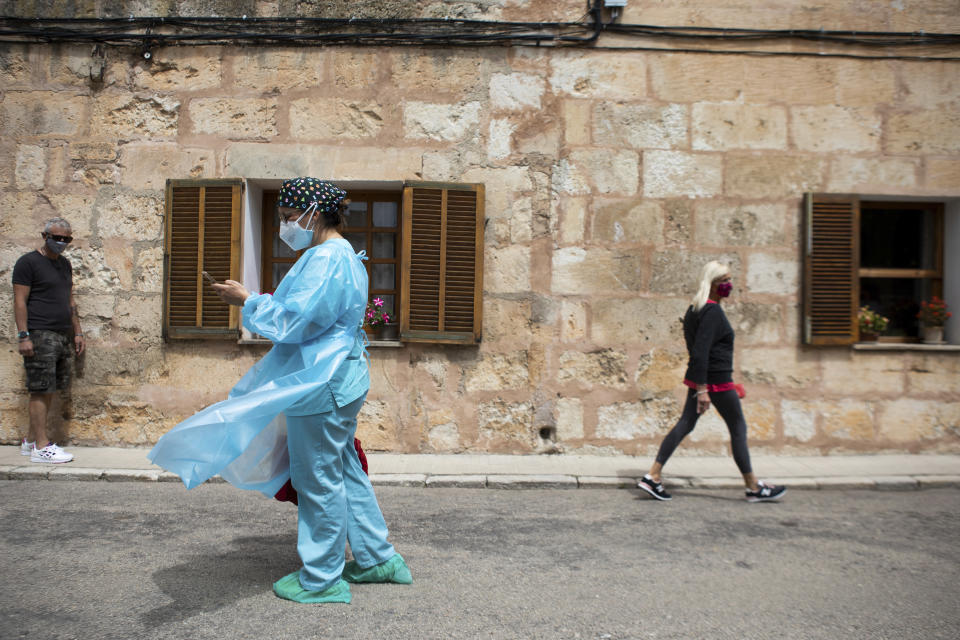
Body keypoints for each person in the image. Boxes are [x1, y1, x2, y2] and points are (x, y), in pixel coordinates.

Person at [148, 177, 410, 604]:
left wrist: (248, 301)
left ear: (313, 213)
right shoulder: (339, 256)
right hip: (336, 377)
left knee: (318, 478)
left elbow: (298, 322)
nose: (286, 226)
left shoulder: (327, 258)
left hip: (321, 381)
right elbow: (308, 316)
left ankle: (322, 578)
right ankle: (376, 557)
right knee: (343, 469)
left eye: (290, 217)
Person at [637, 261, 786, 503]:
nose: (730, 284)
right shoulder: (712, 311)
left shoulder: (694, 308)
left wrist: (703, 384)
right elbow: (700, 352)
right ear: (715, 284)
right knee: (738, 428)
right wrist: (704, 388)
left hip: (708, 380)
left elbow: (698, 350)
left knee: (685, 424)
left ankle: (652, 476)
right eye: (725, 280)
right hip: (714, 383)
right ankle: (753, 487)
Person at [12, 217, 84, 464]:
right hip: (40, 333)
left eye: (66, 239)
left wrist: (77, 331)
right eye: (56, 238)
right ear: (45, 236)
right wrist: (24, 336)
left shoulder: (64, 264)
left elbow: (70, 300)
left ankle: (31, 440)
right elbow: (20, 301)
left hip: (62, 333)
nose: (61, 243)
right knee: (40, 388)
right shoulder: (28, 263)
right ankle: (41, 447)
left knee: (50, 388)